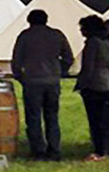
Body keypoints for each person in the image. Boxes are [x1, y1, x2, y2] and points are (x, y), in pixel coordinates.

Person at [11, 9, 74, 160]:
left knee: (33, 117)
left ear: (29, 20)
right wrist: (60, 71)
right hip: (52, 81)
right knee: (52, 116)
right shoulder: (57, 35)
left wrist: (21, 77)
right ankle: (54, 149)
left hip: (32, 81)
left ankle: (38, 150)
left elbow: (16, 60)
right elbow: (68, 57)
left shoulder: (25, 36)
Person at [74, 15, 109, 161]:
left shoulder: (92, 43)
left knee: (95, 119)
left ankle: (99, 150)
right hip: (105, 82)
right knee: (102, 118)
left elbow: (88, 66)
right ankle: (103, 148)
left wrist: (81, 84)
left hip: (93, 84)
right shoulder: (106, 42)